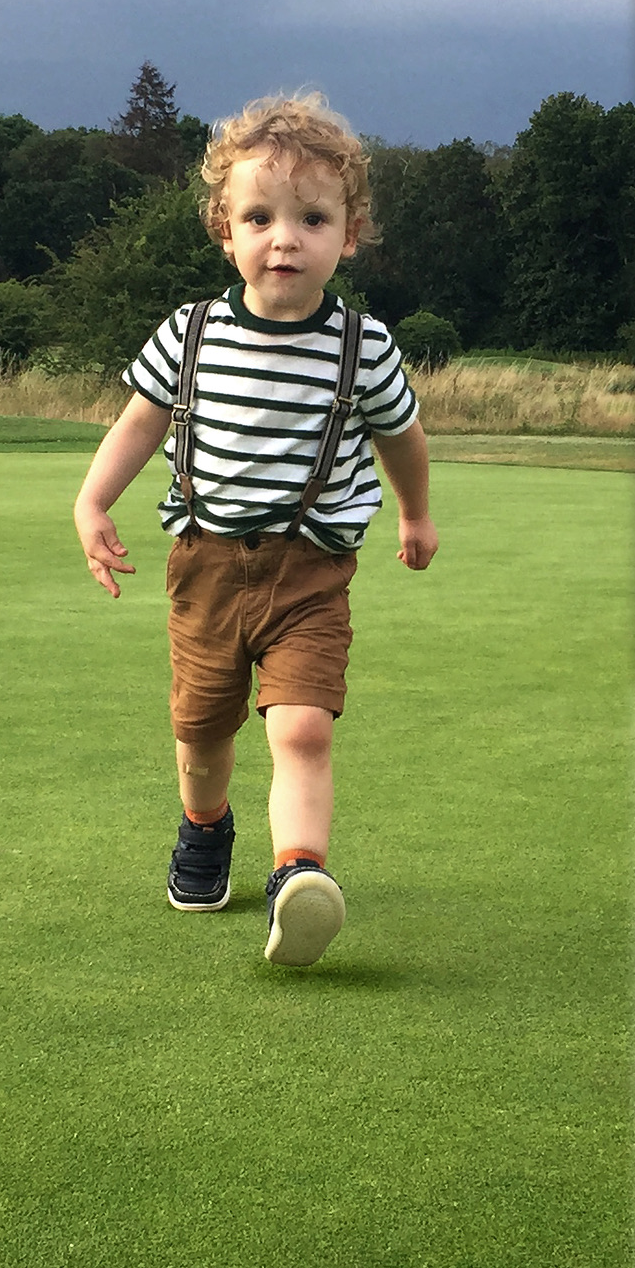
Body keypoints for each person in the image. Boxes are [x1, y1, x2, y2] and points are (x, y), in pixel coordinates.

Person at [72, 92, 438, 967]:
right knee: (202, 735)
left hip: (311, 576)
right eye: (260, 217)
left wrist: (418, 511)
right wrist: (91, 503)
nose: (286, 238)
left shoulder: (365, 347)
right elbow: (137, 425)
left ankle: (297, 875)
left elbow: (403, 435)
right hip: (204, 568)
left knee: (302, 727)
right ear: (224, 230)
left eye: (313, 217)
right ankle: (205, 827)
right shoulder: (189, 335)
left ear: (348, 235)